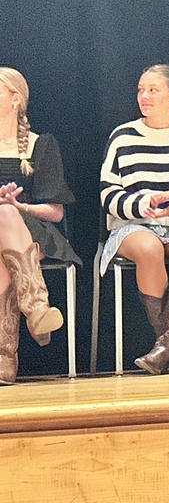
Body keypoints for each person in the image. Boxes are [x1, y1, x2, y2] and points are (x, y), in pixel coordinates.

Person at [99, 64, 169, 375]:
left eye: (153, 90)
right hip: (133, 225)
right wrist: (142, 205)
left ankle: (166, 348)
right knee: (149, 248)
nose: (144, 96)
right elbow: (108, 193)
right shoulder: (123, 136)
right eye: (140, 90)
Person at [0, 67, 75, 385]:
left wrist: (19, 206)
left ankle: (4, 357)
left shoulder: (40, 145)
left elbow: (56, 212)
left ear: (15, 99)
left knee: (5, 215)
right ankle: (37, 310)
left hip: (31, 232)